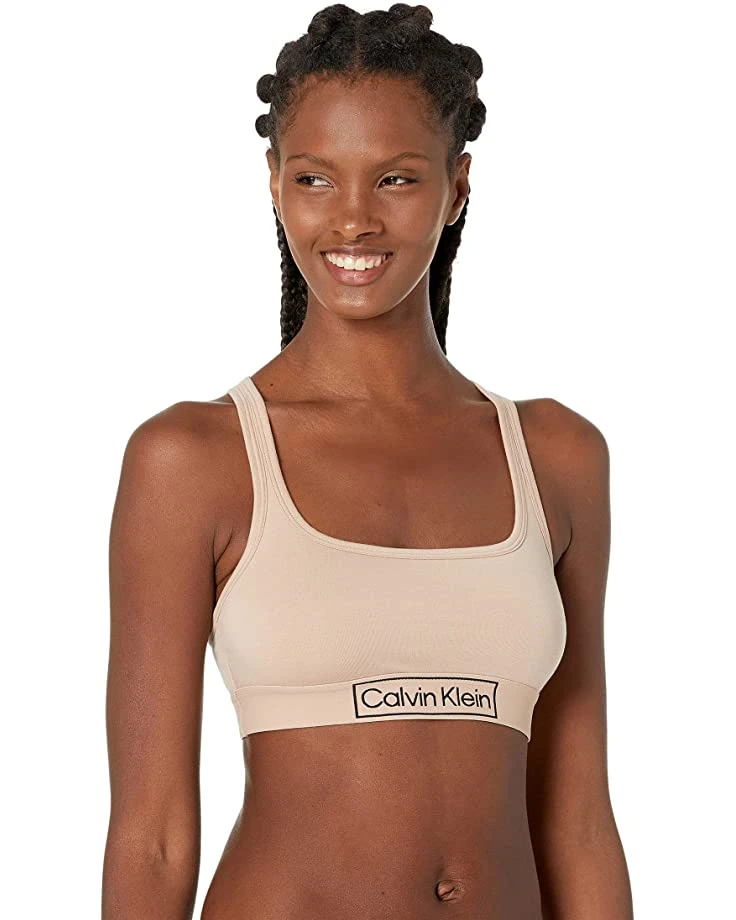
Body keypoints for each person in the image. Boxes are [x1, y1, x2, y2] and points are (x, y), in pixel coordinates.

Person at [102, 4, 633, 918]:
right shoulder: (193, 460)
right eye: (314, 177)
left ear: (457, 188)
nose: (352, 219)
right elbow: (152, 835)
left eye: (395, 179)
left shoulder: (555, 455)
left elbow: (579, 820)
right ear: (274, 185)